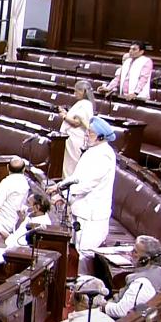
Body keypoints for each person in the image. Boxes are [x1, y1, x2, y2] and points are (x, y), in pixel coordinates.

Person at [47, 116, 117, 275]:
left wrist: (62, 195)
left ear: (101, 137)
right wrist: (59, 186)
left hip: (93, 215)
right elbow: (77, 176)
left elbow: (87, 184)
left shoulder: (104, 155)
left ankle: (85, 291)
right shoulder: (93, 151)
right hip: (82, 211)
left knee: (86, 253)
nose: (86, 136)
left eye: (90, 133)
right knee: (77, 250)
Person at [101, 235, 161, 318]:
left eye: (135, 252)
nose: (130, 253)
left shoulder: (142, 282)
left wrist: (102, 306)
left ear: (145, 259)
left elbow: (122, 311)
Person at [59, 81, 96, 177]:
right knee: (67, 166)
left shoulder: (86, 104)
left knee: (70, 167)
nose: (74, 94)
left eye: (76, 91)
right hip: (71, 138)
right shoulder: (82, 103)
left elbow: (76, 123)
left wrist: (64, 116)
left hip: (75, 139)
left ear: (83, 91)